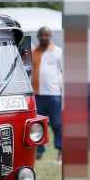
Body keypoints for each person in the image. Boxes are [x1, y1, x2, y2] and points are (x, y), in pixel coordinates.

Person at [32, 26, 63, 161]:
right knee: (38, 124)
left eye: (47, 35)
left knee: (56, 123)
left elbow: (63, 71)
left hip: (53, 94)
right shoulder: (34, 51)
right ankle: (39, 151)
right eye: (42, 35)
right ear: (38, 37)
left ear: (50, 37)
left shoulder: (58, 52)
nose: (44, 38)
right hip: (37, 94)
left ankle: (61, 149)